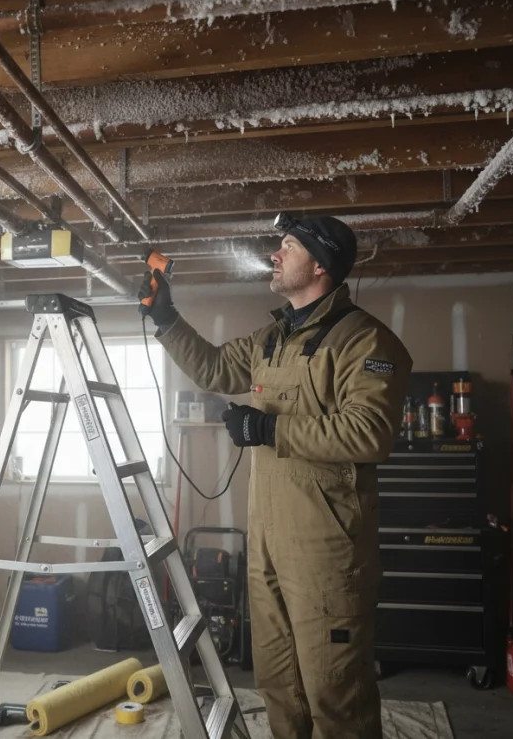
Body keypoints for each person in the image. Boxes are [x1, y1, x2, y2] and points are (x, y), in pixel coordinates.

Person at [138, 215, 412, 739]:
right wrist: (167, 319)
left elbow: (369, 433)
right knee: (279, 684)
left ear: (319, 264)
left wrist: (267, 427)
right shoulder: (272, 338)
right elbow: (216, 369)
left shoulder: (365, 341)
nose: (274, 255)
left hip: (326, 549)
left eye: (287, 246)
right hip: (266, 543)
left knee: (335, 692)